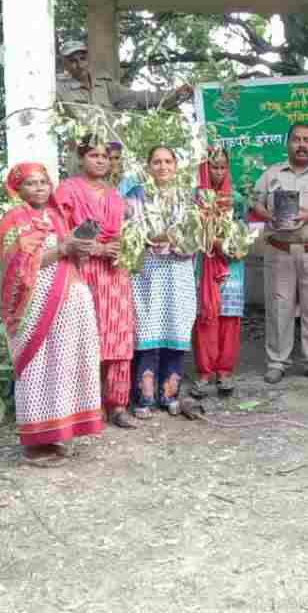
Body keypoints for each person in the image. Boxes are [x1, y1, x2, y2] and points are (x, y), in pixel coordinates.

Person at [0, 162, 104, 466]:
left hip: (67, 304)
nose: (40, 187)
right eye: (31, 183)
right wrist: (63, 249)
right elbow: (15, 263)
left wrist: (81, 247)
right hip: (34, 308)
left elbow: (68, 254)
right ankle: (34, 443)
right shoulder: (12, 221)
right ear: (17, 188)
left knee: (62, 364)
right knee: (36, 368)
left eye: (44, 181)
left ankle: (56, 433)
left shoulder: (57, 216)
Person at [52, 135, 139, 430]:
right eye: (93, 155)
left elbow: (127, 233)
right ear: (80, 158)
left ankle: (117, 403)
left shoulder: (116, 196)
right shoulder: (67, 190)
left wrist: (121, 247)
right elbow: (60, 234)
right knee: (87, 336)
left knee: (118, 336)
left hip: (115, 274)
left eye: (105, 155)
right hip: (82, 271)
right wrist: (97, 248)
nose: (100, 160)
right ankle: (88, 405)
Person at [251, 123, 308, 384]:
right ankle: (277, 363)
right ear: (288, 143)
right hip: (280, 250)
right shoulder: (272, 174)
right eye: (296, 139)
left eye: (307, 140)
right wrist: (270, 216)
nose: (301, 144)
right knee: (278, 307)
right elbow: (255, 201)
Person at [121, 146, 198, 415]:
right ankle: (144, 398)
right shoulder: (135, 196)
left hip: (179, 275)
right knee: (147, 333)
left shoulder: (188, 198)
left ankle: (170, 395)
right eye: (157, 162)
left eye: (168, 161)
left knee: (176, 331)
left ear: (176, 165)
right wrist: (161, 236)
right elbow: (132, 233)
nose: (163, 166)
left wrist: (168, 237)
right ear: (148, 166)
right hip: (148, 274)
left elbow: (194, 236)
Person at [192, 148, 246, 397]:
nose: (219, 171)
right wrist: (211, 242)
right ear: (204, 168)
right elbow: (189, 233)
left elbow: (243, 232)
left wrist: (230, 246)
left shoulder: (236, 198)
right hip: (203, 264)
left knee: (228, 317)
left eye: (223, 166)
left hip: (231, 264)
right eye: (213, 167)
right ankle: (205, 371)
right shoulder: (194, 199)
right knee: (206, 317)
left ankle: (224, 370)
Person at [56, 41, 192, 117]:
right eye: (72, 61)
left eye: (83, 58)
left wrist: (175, 93)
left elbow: (137, 98)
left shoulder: (103, 83)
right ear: (64, 64)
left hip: (109, 154)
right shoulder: (58, 87)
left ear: (89, 58)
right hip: (80, 159)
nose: (80, 65)